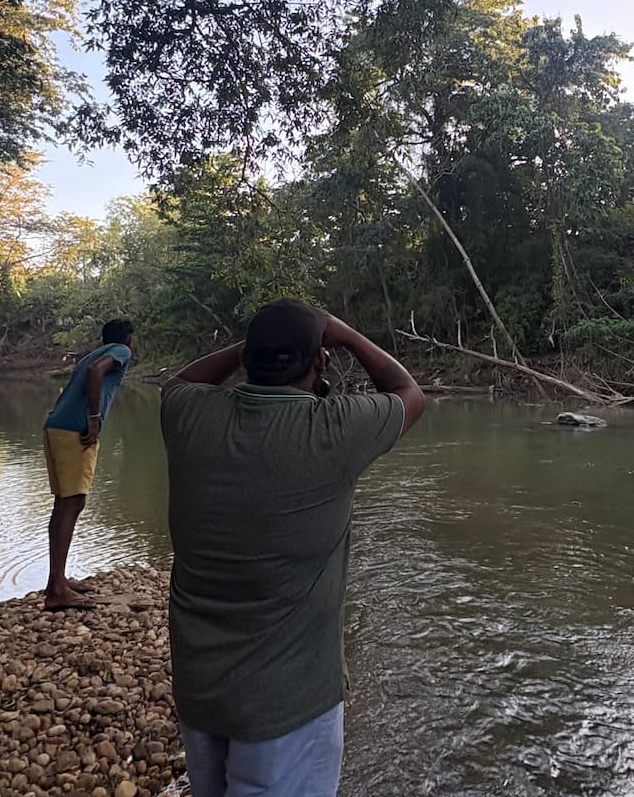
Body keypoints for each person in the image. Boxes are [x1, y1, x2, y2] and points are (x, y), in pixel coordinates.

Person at [161, 299, 425, 797]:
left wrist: (250, 348)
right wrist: (345, 334)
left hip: (200, 691)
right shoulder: (333, 430)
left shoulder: (187, 416)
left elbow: (177, 382)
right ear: (319, 361)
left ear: (249, 357)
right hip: (290, 703)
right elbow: (408, 392)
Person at [42, 318, 135, 610]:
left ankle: (56, 580)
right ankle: (57, 590)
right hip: (75, 431)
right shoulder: (121, 351)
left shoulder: (89, 355)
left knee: (63, 504)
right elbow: (97, 373)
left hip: (55, 426)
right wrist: (93, 421)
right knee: (73, 502)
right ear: (128, 338)